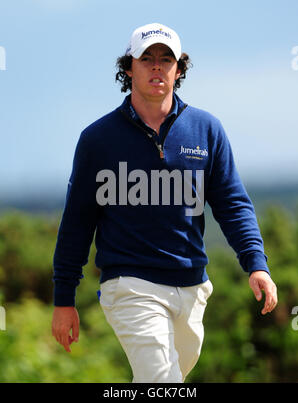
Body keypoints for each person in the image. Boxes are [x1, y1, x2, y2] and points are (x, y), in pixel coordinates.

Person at [51, 22, 278, 383]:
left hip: (192, 286)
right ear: (129, 68)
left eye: (166, 59)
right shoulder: (98, 139)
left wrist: (257, 264)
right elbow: (77, 221)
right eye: (147, 59)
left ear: (179, 69)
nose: (157, 67)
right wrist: (64, 298)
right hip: (129, 285)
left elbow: (233, 204)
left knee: (166, 379)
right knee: (162, 382)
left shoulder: (207, 130)